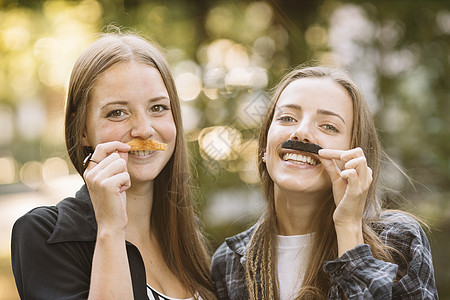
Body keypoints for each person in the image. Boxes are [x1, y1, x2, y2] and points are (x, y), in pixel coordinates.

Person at [11, 32, 216, 300]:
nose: (144, 129)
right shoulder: (44, 235)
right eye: (117, 112)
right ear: (82, 129)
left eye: (157, 108)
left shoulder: (186, 236)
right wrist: (110, 228)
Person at [210, 66, 438, 299]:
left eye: (328, 126)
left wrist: (348, 226)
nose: (301, 133)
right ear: (264, 149)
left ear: (353, 155)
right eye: (287, 118)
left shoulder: (399, 241)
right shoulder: (228, 263)